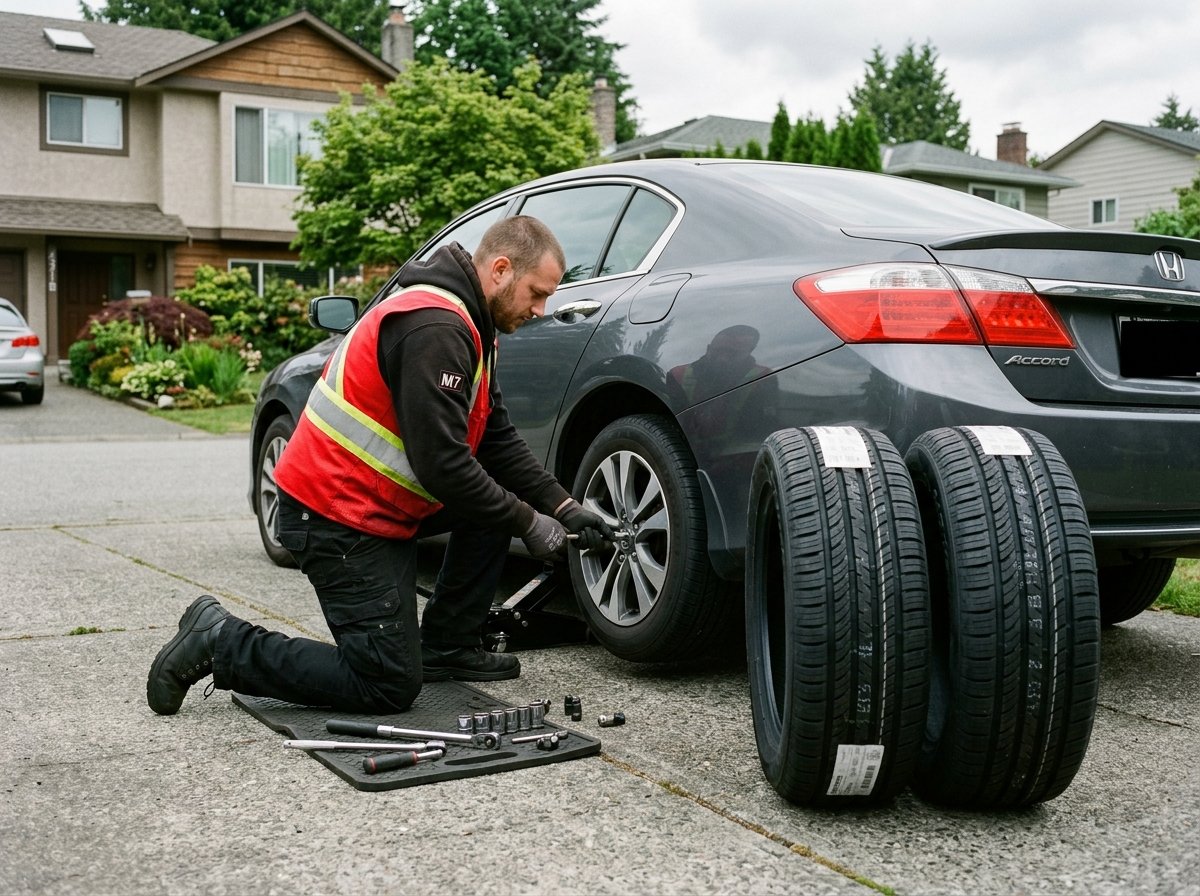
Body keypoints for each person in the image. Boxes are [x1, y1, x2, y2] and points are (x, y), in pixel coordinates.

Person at [146, 216, 611, 716]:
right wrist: (529, 523)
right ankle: (221, 641)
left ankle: (446, 646)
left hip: (374, 506)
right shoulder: (435, 327)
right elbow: (444, 467)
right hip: (334, 515)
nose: (541, 310)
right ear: (500, 269)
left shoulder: (473, 325)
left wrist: (564, 507)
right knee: (385, 685)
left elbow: (495, 437)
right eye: (536, 293)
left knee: (494, 500)